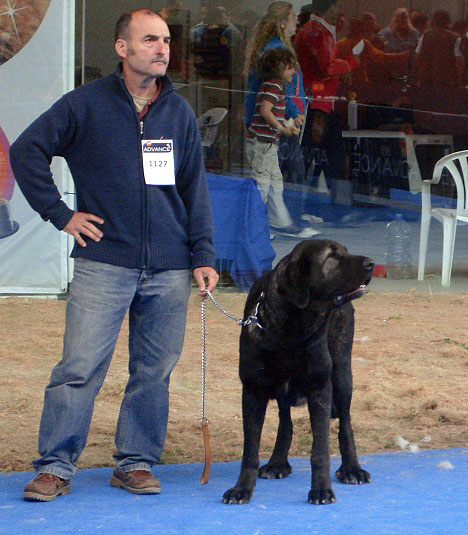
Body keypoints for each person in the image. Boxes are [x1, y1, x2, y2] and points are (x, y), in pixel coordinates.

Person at [9, 8, 218, 502]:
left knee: (153, 372)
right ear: (122, 48)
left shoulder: (178, 112)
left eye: (166, 40)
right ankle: (56, 467)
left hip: (169, 267)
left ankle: (136, 462)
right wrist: (61, 215)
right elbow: (25, 151)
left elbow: (195, 188)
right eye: (150, 40)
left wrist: (203, 254)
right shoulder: (84, 104)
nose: (162, 48)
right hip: (105, 262)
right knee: (79, 369)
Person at [244, 1, 318, 237]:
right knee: (287, 174)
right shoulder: (275, 52)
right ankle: (286, 221)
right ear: (283, 22)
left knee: (276, 177)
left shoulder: (273, 48)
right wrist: (291, 116)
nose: (297, 22)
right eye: (293, 17)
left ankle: (279, 220)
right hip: (279, 125)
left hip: (279, 122)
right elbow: (278, 92)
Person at [295, 2, 358, 206]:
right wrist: (351, 62)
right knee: (330, 156)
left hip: (316, 102)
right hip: (319, 104)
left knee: (315, 155)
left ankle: (301, 205)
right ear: (328, 9)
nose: (339, 11)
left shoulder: (311, 31)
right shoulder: (320, 32)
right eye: (336, 7)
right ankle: (338, 206)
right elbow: (327, 68)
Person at [247, 47, 311, 236]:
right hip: (263, 144)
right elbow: (265, 110)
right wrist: (281, 128)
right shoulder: (273, 87)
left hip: (268, 145)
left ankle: (278, 220)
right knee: (263, 185)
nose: (294, 72)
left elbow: (269, 111)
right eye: (290, 67)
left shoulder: (274, 87)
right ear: (279, 68)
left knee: (274, 182)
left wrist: (284, 124)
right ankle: (256, 225)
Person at [416, 10, 464, 88]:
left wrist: (420, 73)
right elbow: (459, 61)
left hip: (427, 79)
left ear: (434, 21)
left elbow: (417, 56)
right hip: (448, 80)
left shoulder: (425, 35)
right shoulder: (455, 38)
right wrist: (459, 80)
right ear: (448, 22)